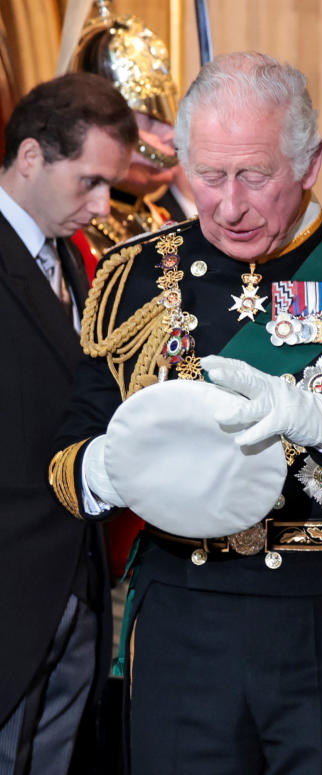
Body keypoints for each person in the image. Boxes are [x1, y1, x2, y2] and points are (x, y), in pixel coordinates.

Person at [49, 51, 322, 773]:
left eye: (254, 175)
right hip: (185, 622)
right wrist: (109, 469)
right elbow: (65, 460)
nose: (228, 204)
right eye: (208, 175)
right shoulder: (133, 276)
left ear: (309, 164)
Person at [0, 73, 136, 774]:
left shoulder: (80, 267)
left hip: (78, 585)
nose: (103, 203)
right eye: (88, 182)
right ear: (30, 158)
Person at [66, 0, 196, 274]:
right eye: (150, 119)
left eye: (167, 118)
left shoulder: (159, 220)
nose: (170, 135)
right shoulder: (74, 229)